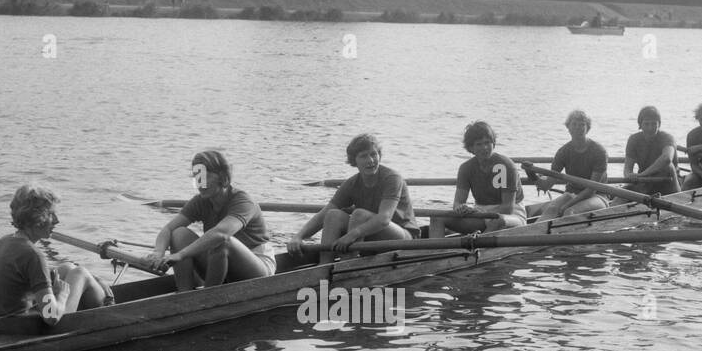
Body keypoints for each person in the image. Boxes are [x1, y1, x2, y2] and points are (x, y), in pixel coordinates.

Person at [0, 185, 111, 335]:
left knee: (68, 268)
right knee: (80, 273)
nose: (57, 221)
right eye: (51, 214)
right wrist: (62, 295)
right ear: (38, 218)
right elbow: (51, 317)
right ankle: (109, 314)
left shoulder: (4, 242)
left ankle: (103, 301)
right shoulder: (33, 254)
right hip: (23, 329)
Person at [151, 149, 275, 290]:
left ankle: (208, 298)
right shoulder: (201, 201)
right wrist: (158, 253)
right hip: (220, 262)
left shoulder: (243, 201)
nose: (199, 183)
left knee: (222, 242)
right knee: (179, 233)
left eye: (204, 177)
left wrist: (180, 255)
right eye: (196, 177)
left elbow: (221, 234)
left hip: (257, 267)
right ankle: (184, 294)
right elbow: (168, 229)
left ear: (222, 176)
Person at [288, 133, 417, 264]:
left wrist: (352, 235)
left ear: (379, 155)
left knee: (359, 214)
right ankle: (324, 268)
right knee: (333, 215)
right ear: (354, 161)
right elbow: (324, 213)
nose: (371, 160)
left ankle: (348, 267)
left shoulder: (392, 178)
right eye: (363, 156)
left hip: (404, 238)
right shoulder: (351, 184)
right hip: (371, 234)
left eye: (373, 154)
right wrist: (299, 236)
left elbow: (384, 219)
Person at [441, 121, 525, 233]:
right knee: (438, 218)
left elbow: (507, 209)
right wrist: (461, 208)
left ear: (493, 143)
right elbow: (458, 203)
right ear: (471, 148)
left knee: (498, 220)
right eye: (479, 144)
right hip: (482, 213)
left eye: (487, 142)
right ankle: (432, 250)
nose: (485, 148)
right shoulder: (466, 168)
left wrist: (477, 212)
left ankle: (480, 248)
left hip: (512, 216)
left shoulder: (505, 165)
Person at [536, 110, 610, 218]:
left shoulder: (599, 151)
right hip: (571, 194)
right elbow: (547, 184)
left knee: (570, 212)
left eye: (582, 125)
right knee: (551, 209)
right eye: (574, 124)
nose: (577, 128)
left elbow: (591, 189)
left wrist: (567, 205)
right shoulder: (563, 151)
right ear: (568, 127)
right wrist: (532, 175)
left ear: (587, 128)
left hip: (597, 196)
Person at [622, 105, 679, 196]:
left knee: (668, 166)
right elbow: (627, 169)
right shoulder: (633, 139)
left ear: (659, 124)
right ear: (640, 124)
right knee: (622, 194)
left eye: (654, 124)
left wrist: (642, 175)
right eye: (646, 124)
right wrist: (629, 175)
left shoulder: (667, 138)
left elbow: (667, 159)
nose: (650, 128)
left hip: (668, 184)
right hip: (645, 183)